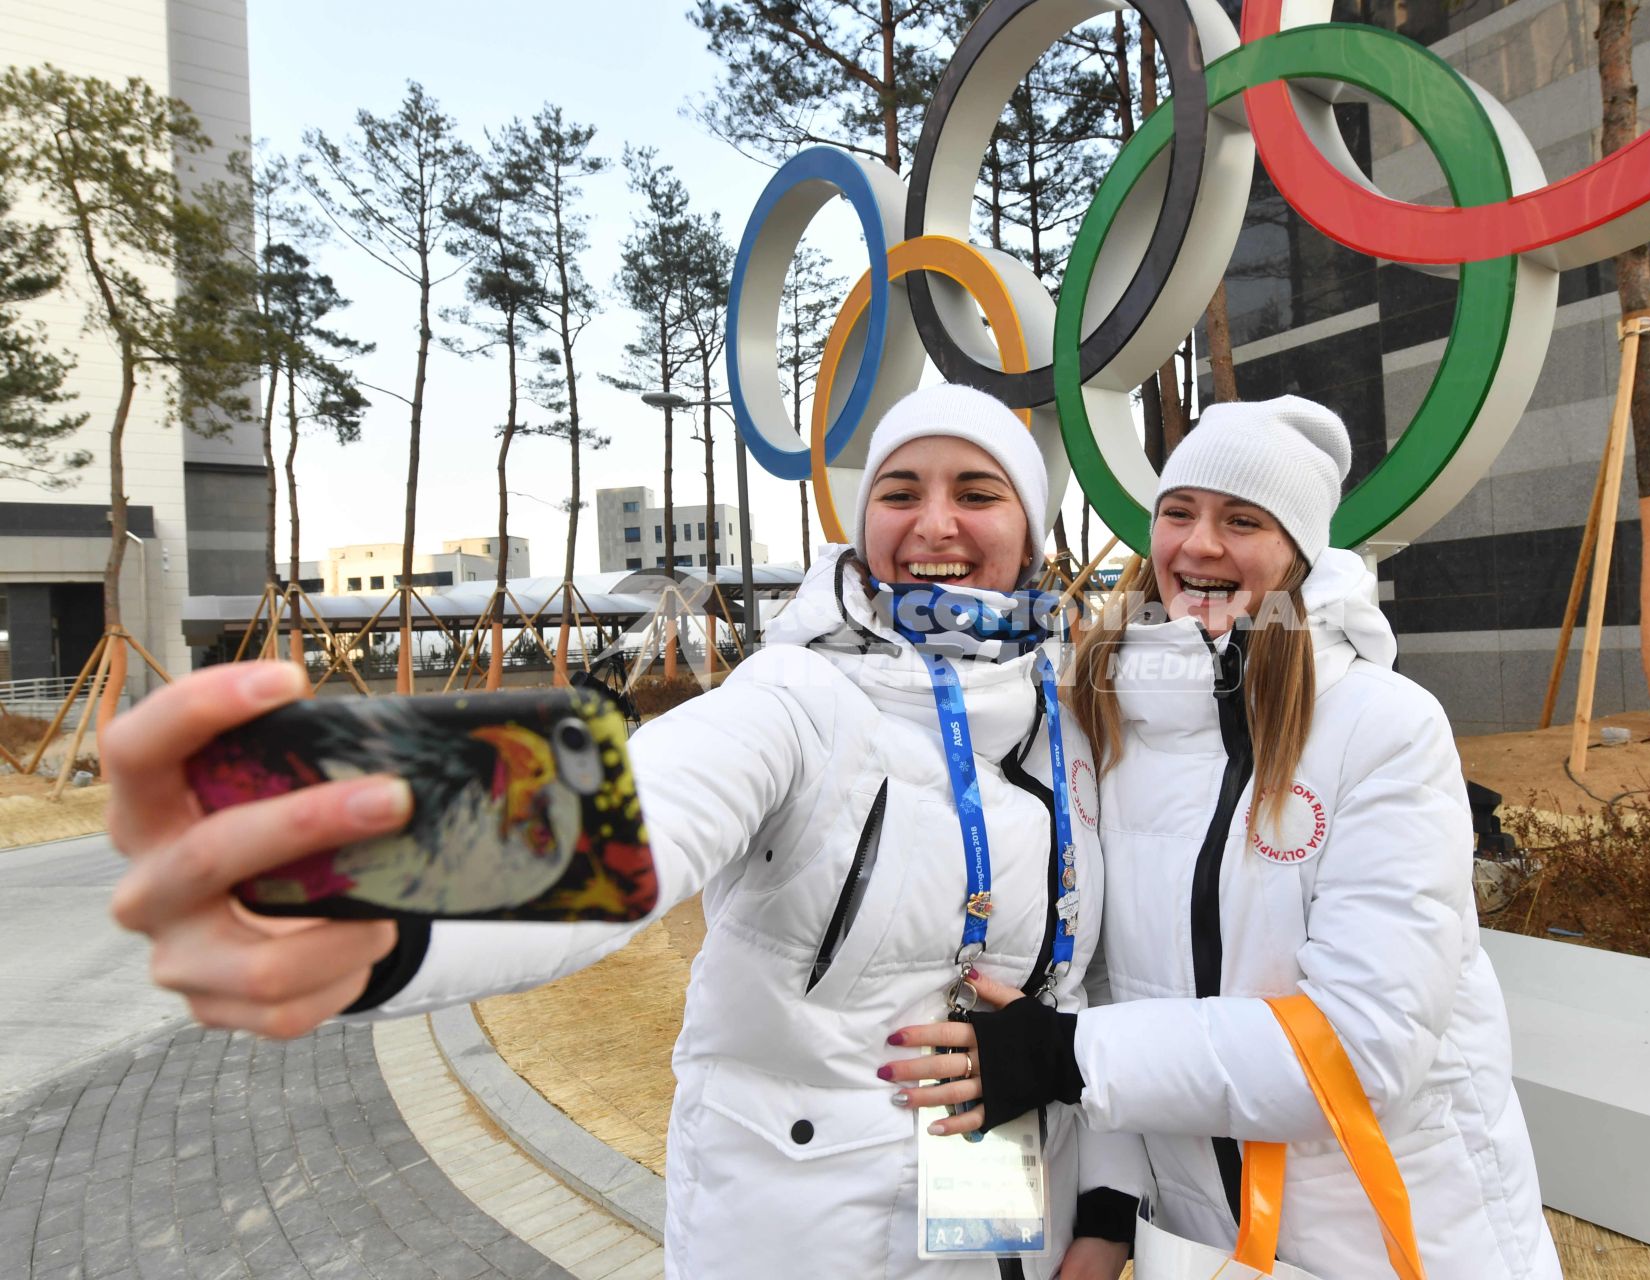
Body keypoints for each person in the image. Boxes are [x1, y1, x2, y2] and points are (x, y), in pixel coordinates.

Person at [104, 383, 1129, 1278]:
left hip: (1003, 1213)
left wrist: (1104, 1207)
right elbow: (632, 815)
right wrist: (373, 903)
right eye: (901, 492)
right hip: (801, 1224)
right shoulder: (800, 696)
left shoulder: (1070, 719)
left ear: (1031, 532)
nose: (933, 523)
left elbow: (1098, 983)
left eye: (977, 492)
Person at [882, 396, 1563, 1278]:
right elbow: (1102, 982)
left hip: (1401, 1235)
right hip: (1204, 1244)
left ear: (1297, 552)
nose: (1198, 546)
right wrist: (1111, 1215)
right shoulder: (1106, 719)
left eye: (1241, 520)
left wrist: (1066, 1057)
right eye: (1178, 514)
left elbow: (1364, 1045)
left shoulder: (1383, 727)